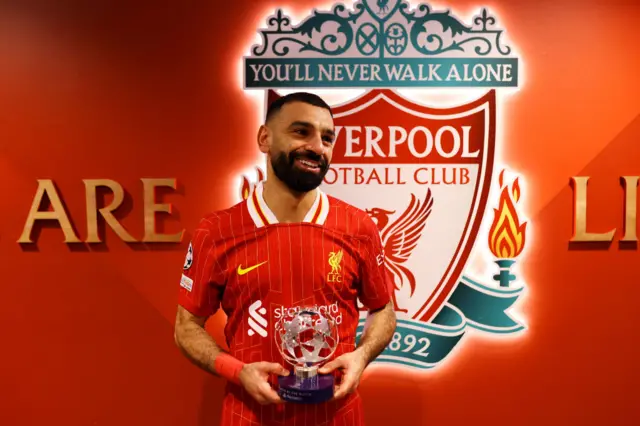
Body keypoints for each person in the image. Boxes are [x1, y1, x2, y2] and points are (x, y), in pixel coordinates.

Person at [174, 92, 397, 426]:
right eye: (301, 131)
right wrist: (237, 371)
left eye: (327, 138)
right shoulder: (216, 231)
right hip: (250, 416)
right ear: (265, 138)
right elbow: (185, 326)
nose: (317, 147)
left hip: (337, 415)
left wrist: (362, 356)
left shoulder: (358, 227)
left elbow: (383, 309)